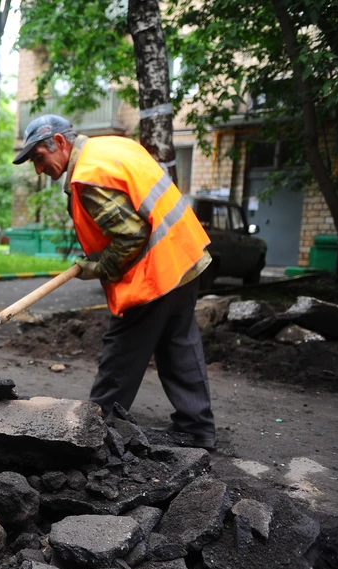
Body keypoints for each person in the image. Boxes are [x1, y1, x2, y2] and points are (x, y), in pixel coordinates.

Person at [13, 115, 216, 450]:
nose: (39, 170)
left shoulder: (88, 177)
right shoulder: (110, 147)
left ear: (60, 143)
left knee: (122, 349)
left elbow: (130, 235)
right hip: (185, 254)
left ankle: (95, 427)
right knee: (178, 343)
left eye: (39, 158)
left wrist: (99, 268)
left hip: (154, 270)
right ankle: (197, 427)